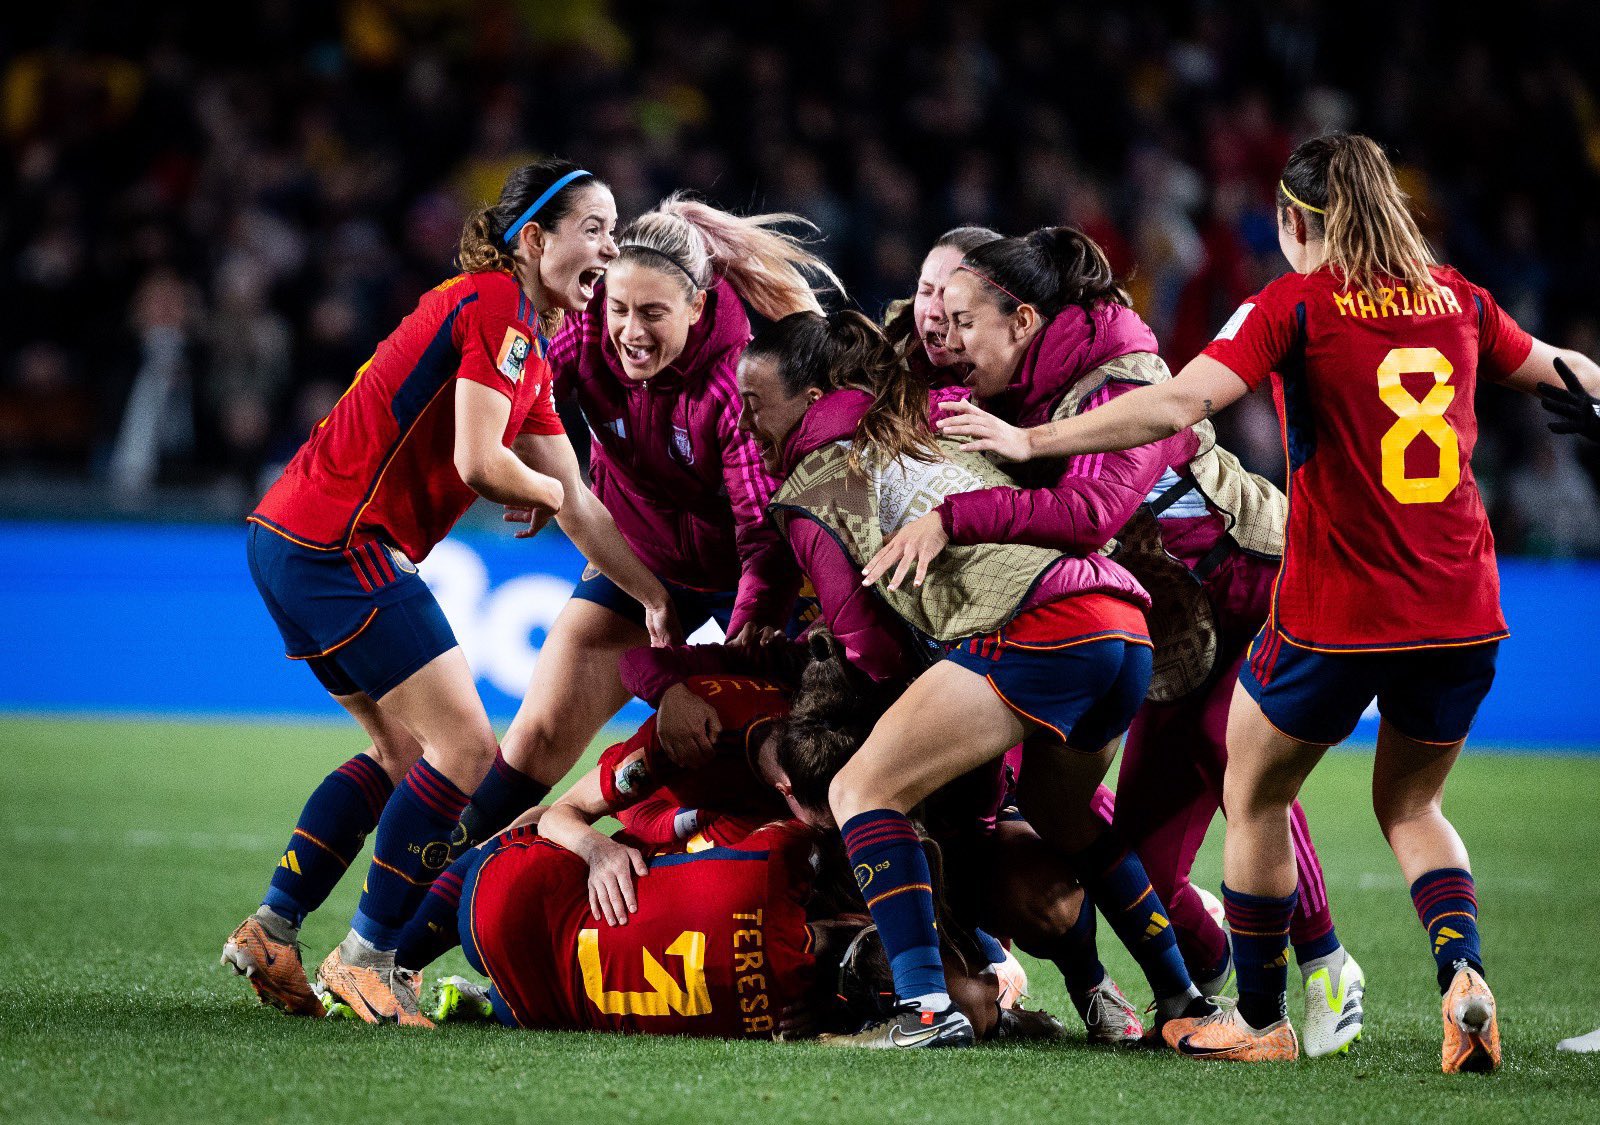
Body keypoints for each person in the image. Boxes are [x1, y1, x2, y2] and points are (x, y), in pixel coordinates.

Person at [939, 133, 1600, 1070]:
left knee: (1252, 787)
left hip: (1341, 607)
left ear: (1295, 220)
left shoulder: (1293, 303)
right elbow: (1562, 369)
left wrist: (1033, 444)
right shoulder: (1460, 297)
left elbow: (1174, 407)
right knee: (1413, 805)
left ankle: (1258, 1016)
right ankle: (1462, 976)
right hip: (1463, 603)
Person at [885, 225, 1361, 1057]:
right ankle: (1210, 979)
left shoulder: (1126, 373)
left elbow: (1091, 516)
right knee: (1137, 859)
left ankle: (1326, 968)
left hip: (1265, 588)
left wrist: (951, 515)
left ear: (1021, 319)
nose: (944, 334)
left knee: (1236, 754)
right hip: (1177, 635)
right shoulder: (1017, 384)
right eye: (932, 306)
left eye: (959, 316)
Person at [222, 159, 677, 1027]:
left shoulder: (525, 344)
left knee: (405, 752)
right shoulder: (499, 306)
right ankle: (367, 958)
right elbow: (481, 461)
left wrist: (654, 597)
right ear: (534, 239)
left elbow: (578, 501)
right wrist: (534, 492)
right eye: (596, 229)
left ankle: (274, 927)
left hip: (288, 536)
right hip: (340, 541)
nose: (610, 250)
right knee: (466, 746)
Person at [736, 310, 1214, 1049]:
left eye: (755, 402)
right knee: (1067, 813)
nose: (747, 421)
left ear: (811, 393)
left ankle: (925, 1007)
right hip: (1119, 621)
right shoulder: (926, 414)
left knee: (861, 790)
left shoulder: (811, 484)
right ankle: (1181, 994)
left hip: (1032, 627)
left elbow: (872, 648)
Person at [452, 195, 842, 849]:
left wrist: (742, 642)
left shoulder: (733, 378)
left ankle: (949, 930)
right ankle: (395, 930)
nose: (630, 331)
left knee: (825, 750)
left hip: (758, 573)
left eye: (652, 313)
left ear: (695, 305)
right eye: (620, 310)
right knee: (536, 738)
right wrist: (533, 470)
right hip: (642, 559)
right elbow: (533, 391)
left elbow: (760, 535)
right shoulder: (591, 332)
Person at [883, 225, 1002, 384]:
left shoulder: (1034, 386)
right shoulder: (878, 372)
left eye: (949, 296)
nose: (932, 311)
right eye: (926, 291)